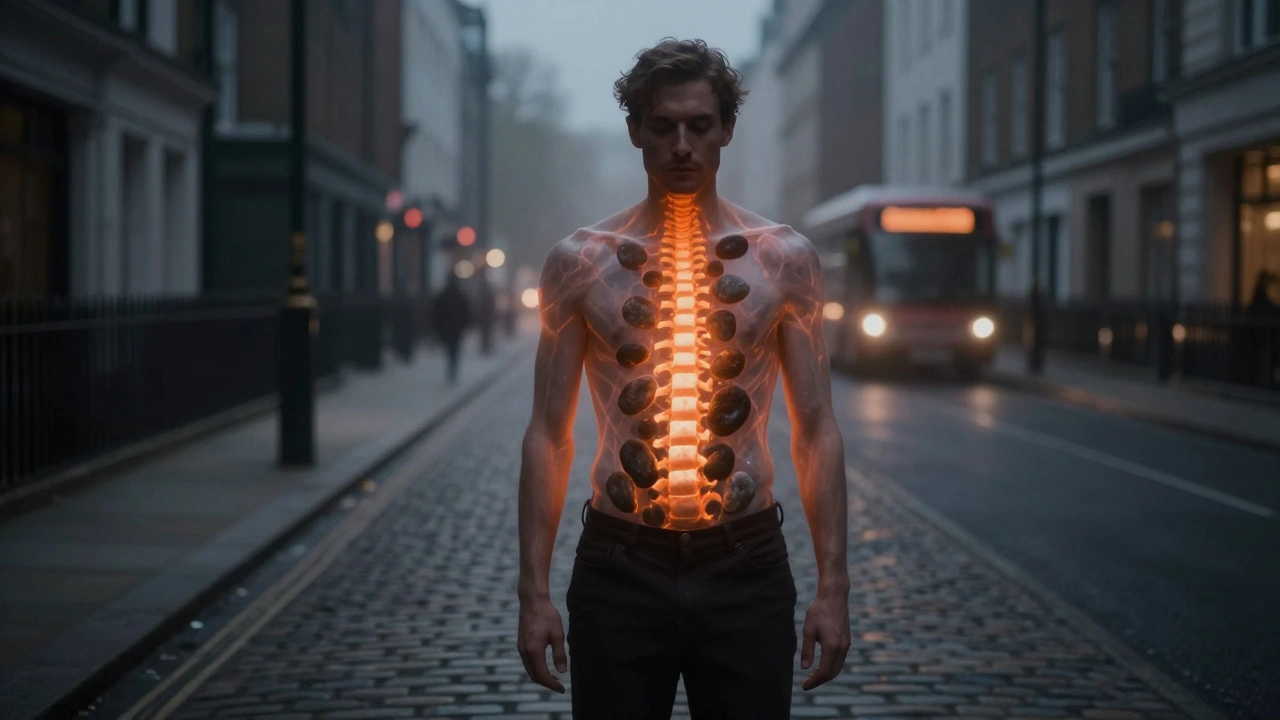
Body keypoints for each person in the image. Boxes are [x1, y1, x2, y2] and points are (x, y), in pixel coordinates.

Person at [515, 38, 850, 718]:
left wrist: (833, 591)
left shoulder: (784, 259)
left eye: (700, 125)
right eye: (663, 126)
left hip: (747, 564)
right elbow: (548, 436)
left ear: (727, 128)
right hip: (619, 565)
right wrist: (533, 595)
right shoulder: (580, 263)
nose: (682, 146)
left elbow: (816, 431)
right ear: (634, 129)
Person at [432, 272, 471, 384]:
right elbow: (466, 313)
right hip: (455, 329)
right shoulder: (459, 296)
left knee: (450, 349)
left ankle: (451, 369)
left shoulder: (444, 296)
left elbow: (436, 313)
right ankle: (452, 369)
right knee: (454, 350)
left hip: (448, 329)